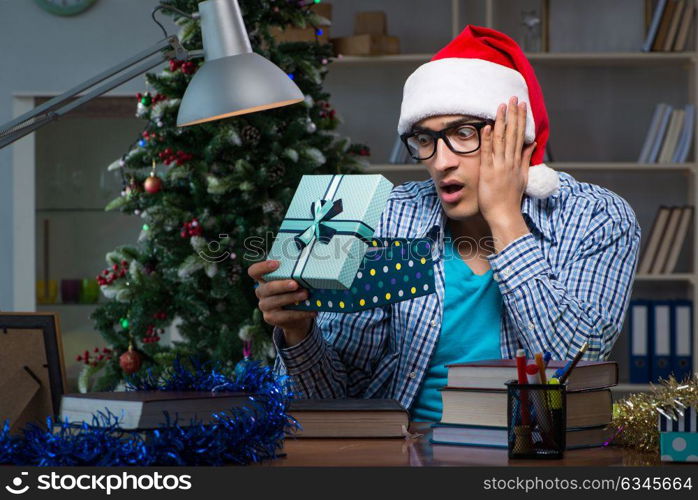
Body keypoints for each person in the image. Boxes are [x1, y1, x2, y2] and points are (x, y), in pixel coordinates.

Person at [248, 25, 641, 421]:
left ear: (517, 139)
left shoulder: (598, 216)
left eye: (463, 133)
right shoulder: (385, 217)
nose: (440, 161)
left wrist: (504, 217)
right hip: (402, 458)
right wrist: (299, 333)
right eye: (425, 139)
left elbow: (578, 367)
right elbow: (335, 401)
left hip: (530, 455)